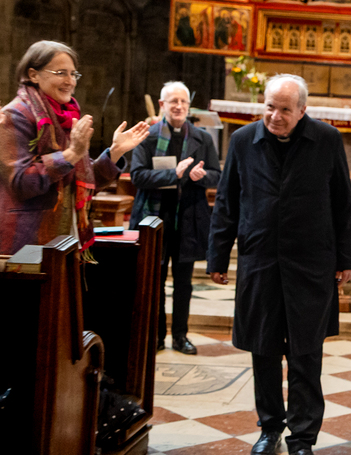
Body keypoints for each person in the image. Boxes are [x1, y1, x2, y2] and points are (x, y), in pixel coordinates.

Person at [207, 75, 351, 455]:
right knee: (264, 350)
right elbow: (227, 201)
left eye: (285, 109)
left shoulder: (326, 140)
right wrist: (217, 256)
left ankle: (303, 443)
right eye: (270, 107)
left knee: (306, 354)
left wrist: (346, 258)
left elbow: (343, 202)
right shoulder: (243, 140)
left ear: (303, 110)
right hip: (260, 262)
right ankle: (270, 429)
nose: (275, 116)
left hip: (310, 264)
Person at [0, 41, 148, 256]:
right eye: (61, 73)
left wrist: (115, 152)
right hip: (27, 241)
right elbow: (21, 182)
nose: (70, 81)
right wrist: (71, 154)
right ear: (34, 75)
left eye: (73, 74)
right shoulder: (16, 115)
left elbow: (83, 183)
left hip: (67, 238)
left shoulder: (66, 117)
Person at [130, 82, 221, 355]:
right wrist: (174, 174)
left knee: (184, 283)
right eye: (173, 101)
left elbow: (217, 175)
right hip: (154, 218)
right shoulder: (148, 136)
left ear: (188, 105)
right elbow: (137, 176)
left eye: (183, 101)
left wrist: (201, 176)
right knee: (154, 281)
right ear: (162, 105)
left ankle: (180, 336)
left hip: (188, 218)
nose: (179, 106)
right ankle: (156, 336)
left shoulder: (202, 138)